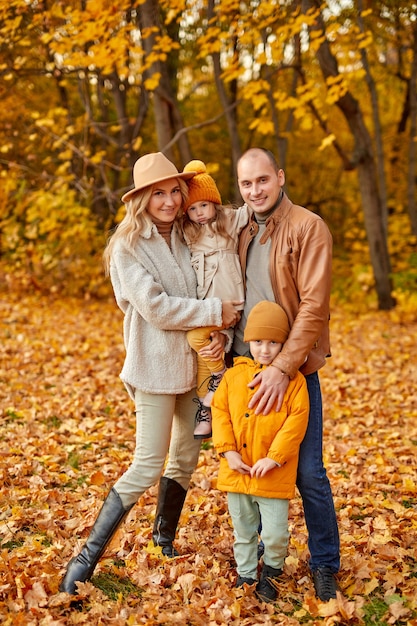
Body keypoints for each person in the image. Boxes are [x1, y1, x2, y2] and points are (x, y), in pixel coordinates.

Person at [59, 152, 241, 595]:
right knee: (145, 465)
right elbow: (157, 307)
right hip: (154, 367)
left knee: (185, 457)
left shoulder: (188, 232)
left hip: (195, 365)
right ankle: (84, 561)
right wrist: (215, 311)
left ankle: (163, 540)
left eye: (174, 190)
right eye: (157, 193)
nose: (168, 200)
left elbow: (212, 284)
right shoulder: (127, 247)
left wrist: (219, 335)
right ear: (141, 199)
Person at [232, 147, 340, 602]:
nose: (254, 190)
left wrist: (281, 368)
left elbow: (314, 307)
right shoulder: (237, 226)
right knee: (247, 471)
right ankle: (259, 563)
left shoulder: (308, 227)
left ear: (279, 176)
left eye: (262, 180)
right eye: (245, 184)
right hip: (241, 369)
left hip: (290, 370)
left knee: (307, 473)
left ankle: (325, 565)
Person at [212, 300, 309, 602]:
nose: (264, 350)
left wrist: (275, 457)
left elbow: (296, 422)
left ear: (283, 343)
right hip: (238, 471)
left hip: (272, 473)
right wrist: (228, 451)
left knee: (276, 533)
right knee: (243, 530)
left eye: (273, 342)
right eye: (257, 342)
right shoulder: (233, 376)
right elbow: (220, 412)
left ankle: (273, 569)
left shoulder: (294, 382)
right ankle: (246, 574)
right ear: (247, 340)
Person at [181, 160, 250, 439]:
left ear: (215, 204)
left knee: (197, 342)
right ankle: (208, 410)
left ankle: (220, 377)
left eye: (204, 206)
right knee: (201, 352)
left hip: (231, 307)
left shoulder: (229, 222)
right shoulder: (189, 234)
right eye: (193, 209)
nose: (199, 213)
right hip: (207, 308)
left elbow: (252, 210)